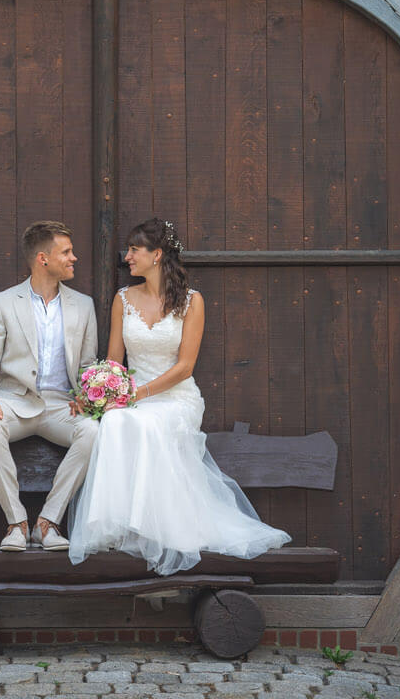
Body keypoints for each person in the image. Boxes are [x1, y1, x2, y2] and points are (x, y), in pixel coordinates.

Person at [68, 217, 290, 575]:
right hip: (133, 397)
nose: (127, 257)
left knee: (149, 423)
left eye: (135, 250)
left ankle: (153, 529)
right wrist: (101, 392)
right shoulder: (123, 300)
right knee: (114, 420)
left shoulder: (191, 302)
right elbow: (113, 361)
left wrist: (137, 394)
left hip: (175, 398)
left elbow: (185, 366)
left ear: (156, 255)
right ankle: (120, 525)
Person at [0, 220, 99, 552]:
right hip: (13, 401)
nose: (74, 258)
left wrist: (85, 397)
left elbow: (87, 365)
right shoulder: (2, 303)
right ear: (43, 258)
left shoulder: (83, 306)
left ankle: (47, 523)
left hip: (61, 404)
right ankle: (16, 523)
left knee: (94, 432)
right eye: (66, 252)